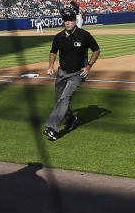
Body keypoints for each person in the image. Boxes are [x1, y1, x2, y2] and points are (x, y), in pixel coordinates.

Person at [43, 7, 100, 142]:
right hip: (62, 73)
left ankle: (53, 129)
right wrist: (51, 66)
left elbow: (96, 50)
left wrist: (89, 65)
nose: (67, 22)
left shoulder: (84, 35)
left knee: (64, 99)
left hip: (77, 74)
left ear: (75, 21)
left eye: (70, 20)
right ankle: (71, 118)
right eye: (65, 20)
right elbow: (53, 52)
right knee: (59, 100)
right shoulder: (59, 37)